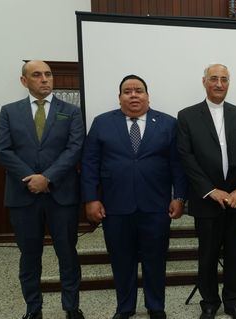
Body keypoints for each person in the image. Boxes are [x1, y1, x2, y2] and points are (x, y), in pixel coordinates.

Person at [81, 75, 187, 319]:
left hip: (156, 206)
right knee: (121, 260)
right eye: (127, 91)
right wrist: (91, 198)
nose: (133, 95)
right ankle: (125, 307)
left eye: (138, 90)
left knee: (156, 260)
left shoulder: (168, 123)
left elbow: (178, 165)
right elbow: (89, 163)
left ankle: (155, 306)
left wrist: (179, 196)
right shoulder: (102, 123)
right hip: (116, 206)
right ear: (119, 98)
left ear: (147, 96)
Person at [0, 60, 85, 319]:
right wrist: (30, 178)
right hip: (23, 196)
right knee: (29, 256)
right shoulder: (9, 111)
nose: (45, 79)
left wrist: (47, 177)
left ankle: (71, 307)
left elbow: (74, 148)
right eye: (37, 75)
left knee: (67, 254)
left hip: (62, 195)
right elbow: (3, 149)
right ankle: (33, 310)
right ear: (24, 81)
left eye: (48, 74)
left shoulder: (71, 111)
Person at [177, 64, 236, 319]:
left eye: (224, 79)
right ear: (204, 82)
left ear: (229, 83)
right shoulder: (187, 116)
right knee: (207, 255)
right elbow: (186, 157)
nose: (219, 84)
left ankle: (233, 303)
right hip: (206, 201)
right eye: (214, 79)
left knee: (235, 254)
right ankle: (209, 302)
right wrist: (211, 190)